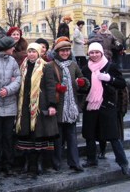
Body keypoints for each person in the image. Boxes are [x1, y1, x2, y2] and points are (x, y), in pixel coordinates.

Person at [81, 42, 130, 176]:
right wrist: (81, 85)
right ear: (88, 54)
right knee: (89, 135)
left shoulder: (110, 66)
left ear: (101, 53)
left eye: (97, 52)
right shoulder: (85, 69)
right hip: (90, 105)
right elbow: (83, 89)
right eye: (91, 52)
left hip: (107, 106)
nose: (94, 55)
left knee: (113, 136)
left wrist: (110, 78)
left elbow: (122, 83)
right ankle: (92, 159)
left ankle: (123, 163)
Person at [15, 43, 59, 175]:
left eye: (34, 51)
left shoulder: (46, 67)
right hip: (24, 106)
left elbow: (51, 86)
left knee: (38, 136)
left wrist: (52, 104)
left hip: (40, 105)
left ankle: (39, 163)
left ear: (39, 53)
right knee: (26, 136)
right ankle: (27, 163)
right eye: (29, 52)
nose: (31, 54)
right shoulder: (22, 66)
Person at [50, 39, 88, 173]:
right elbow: (48, 85)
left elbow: (82, 79)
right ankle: (57, 162)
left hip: (71, 107)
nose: (65, 53)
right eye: (62, 51)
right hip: (58, 106)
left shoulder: (73, 65)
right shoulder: (51, 65)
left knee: (72, 136)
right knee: (58, 137)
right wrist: (56, 88)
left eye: (67, 50)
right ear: (57, 52)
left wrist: (83, 82)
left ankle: (75, 162)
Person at [0, 36, 21, 176]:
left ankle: (8, 164)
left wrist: (8, 90)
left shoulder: (12, 60)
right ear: (6, 48)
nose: (14, 49)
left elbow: (18, 79)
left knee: (8, 136)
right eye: (12, 46)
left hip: (10, 103)